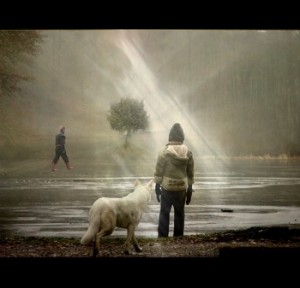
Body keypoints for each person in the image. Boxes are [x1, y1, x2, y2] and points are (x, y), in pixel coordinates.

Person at [154, 123, 194, 238]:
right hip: (181, 188)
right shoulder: (188, 152)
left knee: (164, 213)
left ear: (170, 136)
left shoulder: (164, 151)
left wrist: (157, 186)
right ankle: (178, 237)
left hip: (167, 187)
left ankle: (162, 237)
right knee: (180, 213)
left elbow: (159, 170)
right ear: (182, 137)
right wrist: (190, 189)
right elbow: (190, 172)